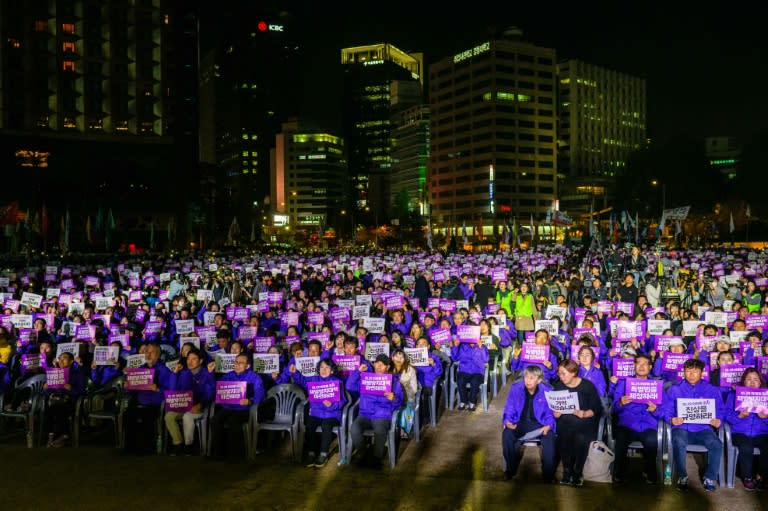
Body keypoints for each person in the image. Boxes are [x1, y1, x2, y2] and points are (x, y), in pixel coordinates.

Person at [661, 358, 725, 492]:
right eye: (688, 371)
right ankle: (683, 476)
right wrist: (671, 420)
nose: (691, 374)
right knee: (678, 442)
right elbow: (667, 410)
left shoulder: (712, 390)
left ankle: (709, 477)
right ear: (683, 373)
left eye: (695, 371)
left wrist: (719, 420)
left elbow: (720, 410)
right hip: (682, 427)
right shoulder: (675, 389)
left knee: (716, 444)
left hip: (703, 428)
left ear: (702, 373)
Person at [611, 354, 663, 484]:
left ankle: (650, 470)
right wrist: (621, 403)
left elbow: (665, 411)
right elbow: (613, 409)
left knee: (652, 440)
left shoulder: (656, 386)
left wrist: (656, 410)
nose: (641, 366)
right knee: (621, 437)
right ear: (634, 366)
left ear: (650, 367)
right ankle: (620, 471)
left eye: (645, 364)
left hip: (648, 425)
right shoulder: (623, 384)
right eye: (638, 363)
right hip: (627, 425)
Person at [552, 359, 603, 487]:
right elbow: (555, 406)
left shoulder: (587, 386)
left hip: (585, 422)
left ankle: (578, 471)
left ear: (574, 372)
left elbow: (597, 409)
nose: (561, 377)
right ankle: (567, 470)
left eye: (564, 373)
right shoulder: (558, 386)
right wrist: (556, 412)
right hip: (566, 423)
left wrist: (584, 413)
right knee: (563, 436)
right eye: (559, 374)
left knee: (581, 437)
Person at [501, 365, 556, 483]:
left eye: (532, 378)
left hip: (540, 425)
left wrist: (549, 425)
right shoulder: (516, 388)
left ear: (539, 380)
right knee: (507, 434)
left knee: (550, 438)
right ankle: (509, 470)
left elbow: (550, 413)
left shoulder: (548, 391)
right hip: (519, 423)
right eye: (526, 377)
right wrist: (507, 421)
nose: (527, 380)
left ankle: (548, 475)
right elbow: (509, 407)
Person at [350, 354, 403, 468]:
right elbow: (350, 386)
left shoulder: (394, 381)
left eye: (382, 364)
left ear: (387, 367)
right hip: (364, 414)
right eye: (377, 363)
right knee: (354, 429)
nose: (379, 366)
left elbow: (399, 402)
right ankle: (363, 454)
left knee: (379, 430)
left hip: (382, 415)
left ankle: (376, 458)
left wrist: (393, 398)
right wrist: (357, 371)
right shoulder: (366, 379)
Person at [293, 358, 347, 468]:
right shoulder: (314, 380)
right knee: (309, 424)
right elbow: (302, 381)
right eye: (322, 367)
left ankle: (323, 454)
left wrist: (332, 405)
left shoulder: (337, 382)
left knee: (326, 425)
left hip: (332, 414)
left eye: (327, 367)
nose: (324, 369)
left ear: (332, 371)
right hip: (316, 413)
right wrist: (295, 372)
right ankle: (311, 453)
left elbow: (343, 401)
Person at [210, 353, 266, 459]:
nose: (237, 364)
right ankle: (218, 453)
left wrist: (250, 401)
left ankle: (235, 454)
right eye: (236, 362)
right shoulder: (227, 376)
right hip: (229, 408)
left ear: (247, 366)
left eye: (241, 363)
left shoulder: (255, 377)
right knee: (215, 420)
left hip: (245, 409)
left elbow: (260, 395)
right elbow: (217, 390)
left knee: (233, 422)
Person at [123, 342, 176, 454]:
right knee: (127, 415)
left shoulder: (165, 371)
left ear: (158, 354)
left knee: (146, 417)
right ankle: (129, 447)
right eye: (146, 352)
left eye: (151, 352)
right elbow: (132, 388)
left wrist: (158, 389)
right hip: (139, 401)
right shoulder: (140, 369)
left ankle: (146, 448)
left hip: (154, 404)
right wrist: (127, 386)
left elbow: (171, 392)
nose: (148, 355)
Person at [164, 348, 215, 456]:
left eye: (194, 359)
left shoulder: (207, 373)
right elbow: (174, 392)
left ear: (200, 361)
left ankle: (189, 446)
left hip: (200, 406)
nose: (190, 362)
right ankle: (178, 444)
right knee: (169, 417)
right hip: (184, 404)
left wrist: (201, 404)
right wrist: (174, 374)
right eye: (188, 359)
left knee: (187, 416)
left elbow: (210, 392)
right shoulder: (184, 373)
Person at [724, 367, 768, 490]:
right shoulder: (733, 396)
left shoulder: (766, 396)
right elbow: (726, 415)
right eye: (748, 379)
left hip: (762, 433)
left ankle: (761, 476)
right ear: (743, 382)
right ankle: (747, 477)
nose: (752, 382)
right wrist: (739, 416)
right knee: (746, 446)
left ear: (760, 382)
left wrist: (765, 418)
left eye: (755, 379)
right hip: (740, 432)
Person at [43, 352, 86, 447]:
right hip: (55, 400)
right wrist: (46, 388)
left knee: (58, 408)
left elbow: (81, 390)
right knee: (49, 409)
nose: (61, 360)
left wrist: (71, 389)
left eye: (65, 358)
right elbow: (48, 392)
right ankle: (52, 435)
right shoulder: (55, 372)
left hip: (70, 401)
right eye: (60, 358)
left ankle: (62, 435)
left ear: (71, 361)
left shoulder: (77, 373)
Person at [450, 333, 489, 412]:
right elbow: (454, 358)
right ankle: (463, 401)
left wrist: (481, 347)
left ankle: (472, 402)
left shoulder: (482, 346)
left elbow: (486, 359)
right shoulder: (462, 346)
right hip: (464, 370)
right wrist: (456, 346)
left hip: (477, 371)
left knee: (475, 382)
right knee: (460, 380)